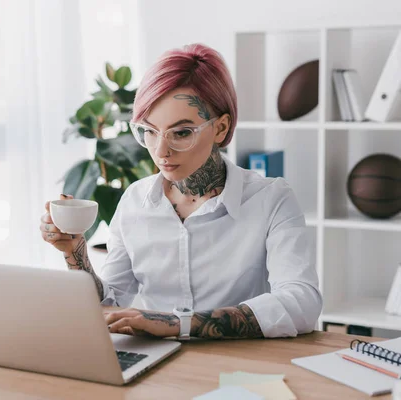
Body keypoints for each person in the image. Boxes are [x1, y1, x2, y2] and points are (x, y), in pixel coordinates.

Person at [40, 43, 322, 340]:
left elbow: (301, 303)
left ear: (221, 129)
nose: (160, 151)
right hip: (154, 364)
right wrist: (76, 254)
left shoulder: (271, 200)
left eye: (182, 132)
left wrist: (180, 323)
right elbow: (109, 303)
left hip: (240, 367)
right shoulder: (135, 201)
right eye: (148, 131)